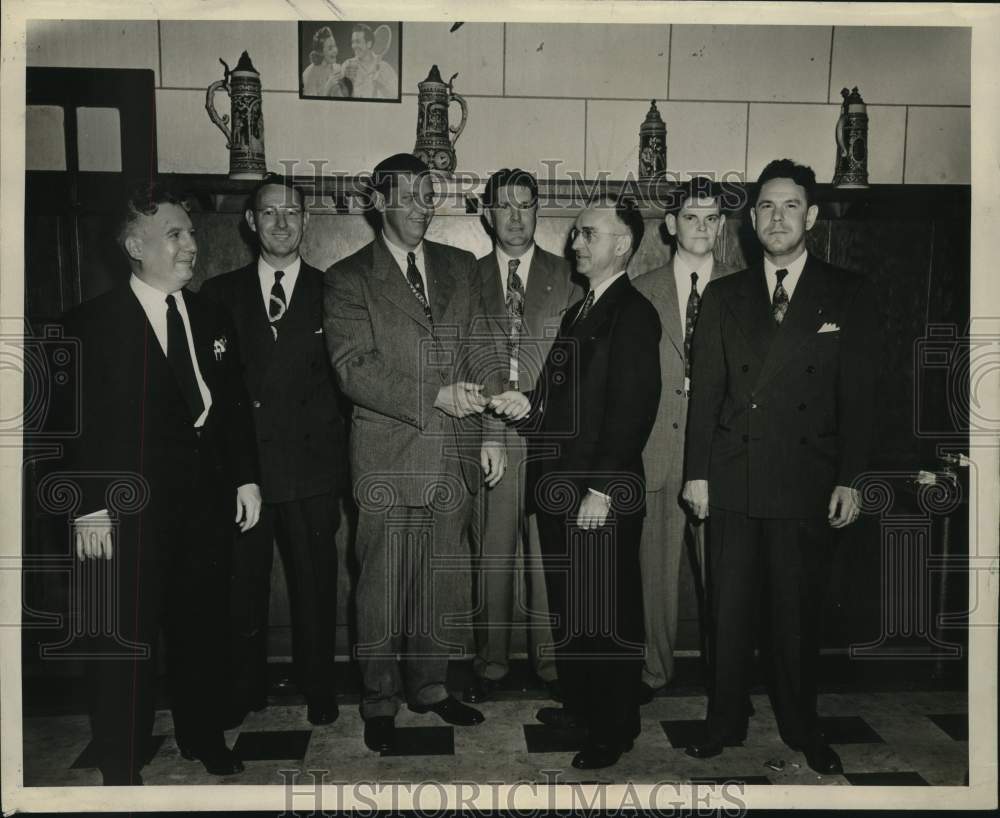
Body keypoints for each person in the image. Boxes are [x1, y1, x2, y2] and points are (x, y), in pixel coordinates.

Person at [682, 159, 880, 775]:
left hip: (807, 481)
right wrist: (697, 474)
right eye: (765, 206)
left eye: (790, 205)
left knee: (796, 616)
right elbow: (707, 394)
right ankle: (724, 721)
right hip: (735, 476)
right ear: (751, 219)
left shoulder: (846, 291)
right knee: (729, 612)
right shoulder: (724, 294)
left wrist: (852, 476)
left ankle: (801, 725)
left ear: (812, 217)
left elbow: (862, 398)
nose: (776, 217)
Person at [60, 183, 261, 785]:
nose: (191, 245)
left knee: (203, 626)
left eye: (192, 232)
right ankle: (121, 755)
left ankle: (204, 735)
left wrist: (246, 480)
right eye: (175, 234)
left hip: (204, 504)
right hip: (128, 510)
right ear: (133, 245)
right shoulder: (93, 325)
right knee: (127, 637)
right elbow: (73, 426)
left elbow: (230, 408)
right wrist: (88, 508)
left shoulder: (209, 314)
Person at [323, 153, 505, 754]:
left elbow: (484, 349)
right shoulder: (348, 277)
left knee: (437, 582)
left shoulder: (460, 266)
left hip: (454, 452)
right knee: (379, 585)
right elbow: (355, 371)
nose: (421, 206)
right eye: (407, 196)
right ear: (379, 203)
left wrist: (492, 431)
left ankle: (429, 687)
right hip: (387, 455)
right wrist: (437, 396)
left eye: (429, 195)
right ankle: (378, 699)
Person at [490, 197, 662, 770]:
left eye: (589, 234)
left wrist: (603, 489)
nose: (576, 243)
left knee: (605, 614)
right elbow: (560, 404)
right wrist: (527, 406)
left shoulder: (633, 314)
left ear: (623, 245)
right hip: (562, 490)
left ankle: (613, 727)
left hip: (597, 495)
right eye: (577, 233)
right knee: (574, 610)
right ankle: (585, 706)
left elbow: (633, 411)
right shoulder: (579, 311)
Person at [200, 176, 347, 730]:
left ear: (306, 222)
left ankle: (320, 687)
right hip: (245, 472)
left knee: (315, 584)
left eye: (292, 213)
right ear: (250, 222)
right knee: (243, 585)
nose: (281, 222)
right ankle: (245, 688)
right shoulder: (219, 294)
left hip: (312, 469)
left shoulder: (334, 289)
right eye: (269, 213)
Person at [463, 168, 583, 706]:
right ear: (487, 213)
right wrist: (490, 423)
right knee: (492, 552)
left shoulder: (571, 275)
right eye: (504, 206)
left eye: (525, 205)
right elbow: (461, 352)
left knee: (546, 552)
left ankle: (552, 659)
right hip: (488, 433)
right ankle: (491, 659)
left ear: (539, 211)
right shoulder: (465, 276)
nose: (515, 216)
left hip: (549, 435)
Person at [631, 178, 737, 703]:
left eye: (713, 218)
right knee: (654, 576)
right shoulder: (641, 289)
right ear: (670, 225)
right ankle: (655, 671)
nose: (703, 228)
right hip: (656, 452)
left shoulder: (743, 289)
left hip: (720, 456)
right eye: (692, 218)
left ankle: (726, 679)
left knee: (724, 577)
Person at [343, 24, 398, 99]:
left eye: (358, 42)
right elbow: (339, 97)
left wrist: (381, 86)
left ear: (369, 44)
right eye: (353, 42)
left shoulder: (385, 68)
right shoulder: (347, 65)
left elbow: (396, 97)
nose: (354, 46)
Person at [301, 26, 351, 98]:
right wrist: (328, 87)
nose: (335, 51)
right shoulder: (309, 74)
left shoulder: (338, 69)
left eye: (335, 46)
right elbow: (310, 105)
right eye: (330, 48)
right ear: (321, 52)